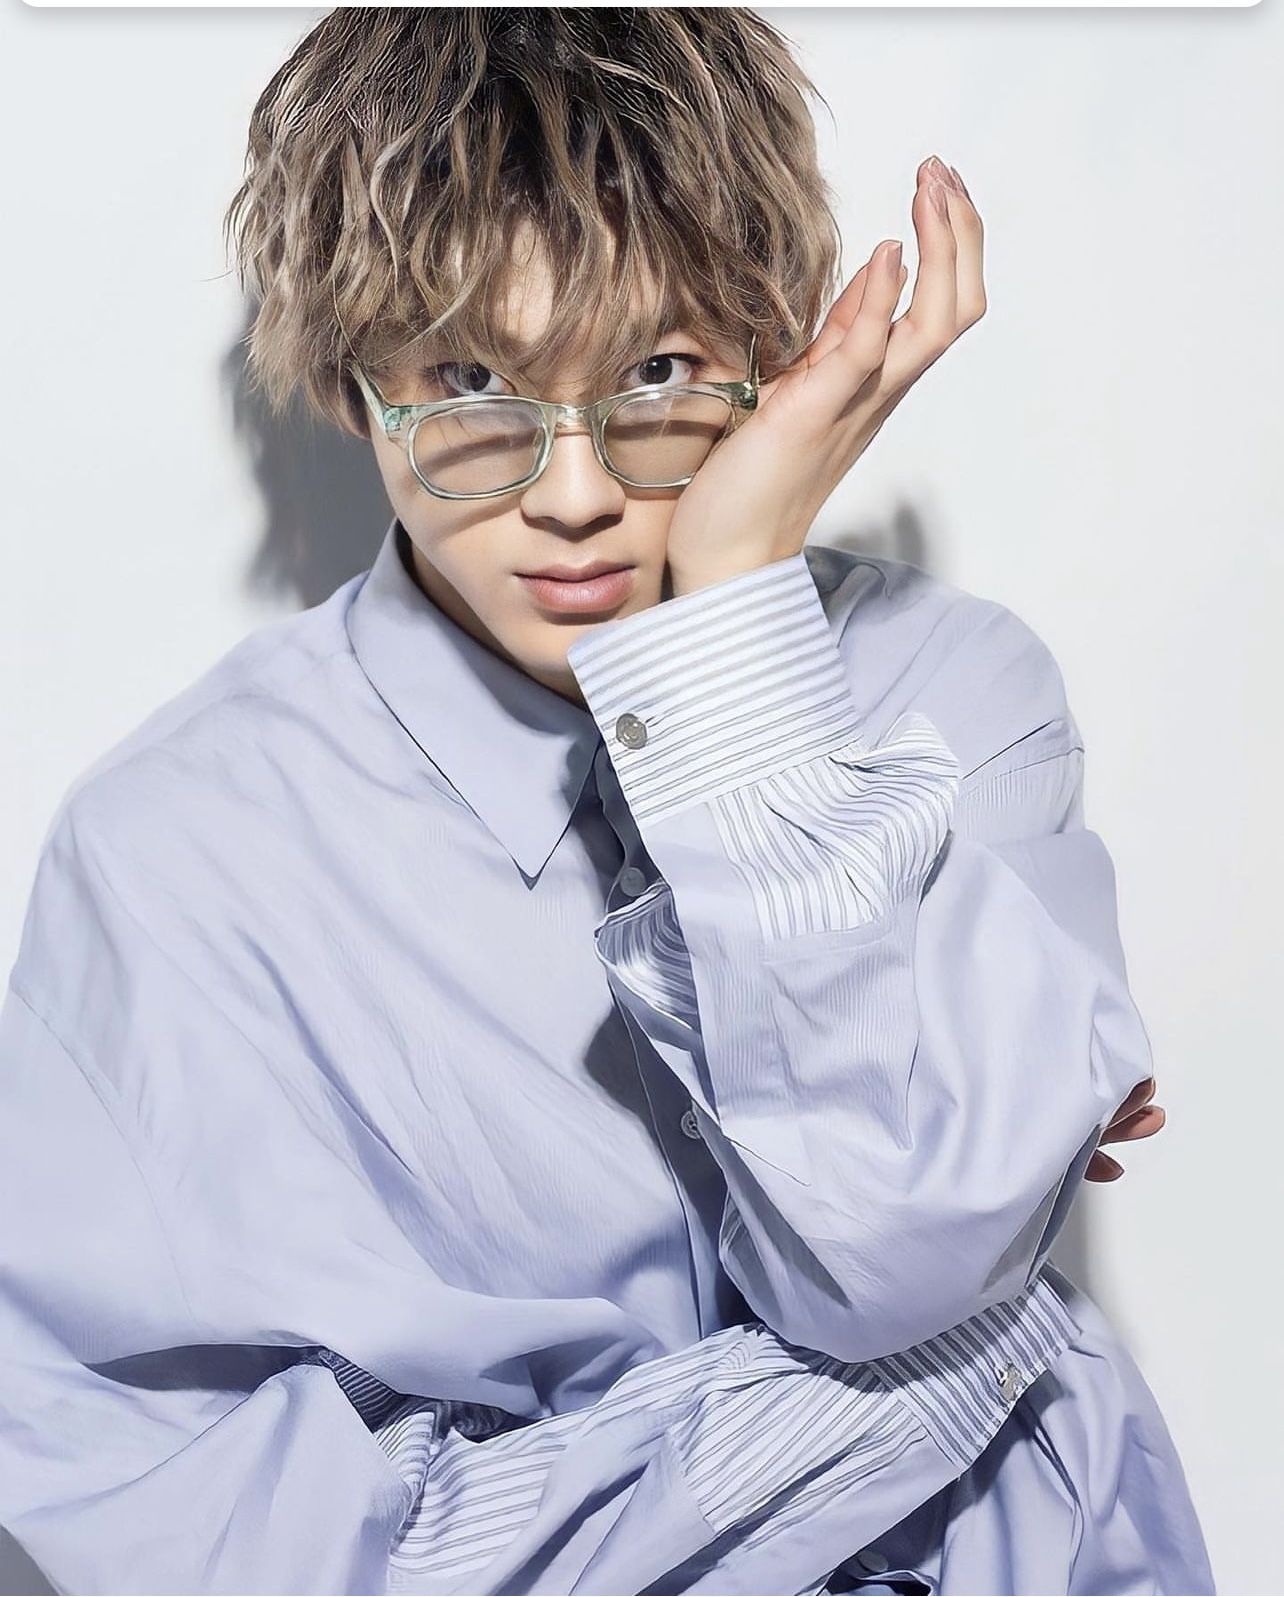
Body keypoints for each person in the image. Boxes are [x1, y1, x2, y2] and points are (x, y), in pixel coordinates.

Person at [0, 8, 1214, 1594]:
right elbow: (240, 1552)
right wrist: (973, 1344)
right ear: (355, 380)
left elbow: (883, 1253)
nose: (572, 495)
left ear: (775, 352)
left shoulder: (950, 688)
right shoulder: (174, 858)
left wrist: (730, 613)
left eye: (658, 371)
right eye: (469, 380)